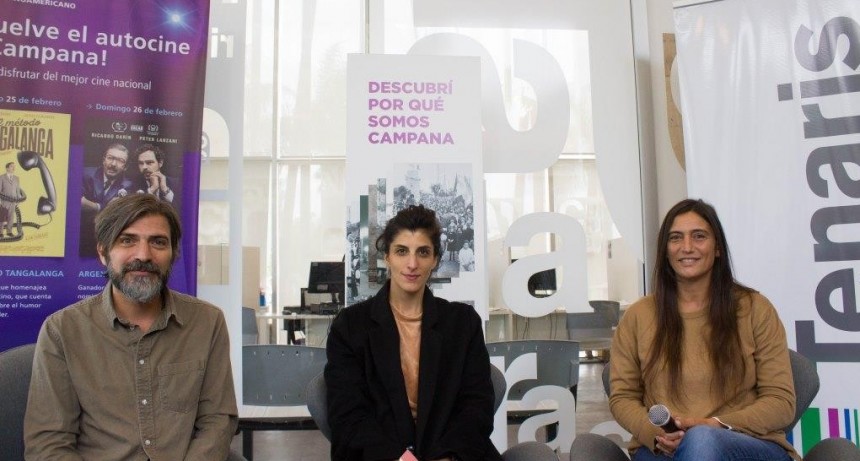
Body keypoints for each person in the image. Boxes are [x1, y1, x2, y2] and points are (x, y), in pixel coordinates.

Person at [25, 194, 238, 460]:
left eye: (158, 242)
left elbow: (217, 421)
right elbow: (48, 442)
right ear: (103, 252)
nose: (143, 255)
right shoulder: (62, 331)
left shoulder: (207, 322)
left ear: (173, 254)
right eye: (127, 240)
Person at [609, 199, 797, 461]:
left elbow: (781, 402)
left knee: (701, 440)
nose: (687, 247)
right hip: (663, 449)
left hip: (745, 445)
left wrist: (713, 425)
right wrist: (657, 434)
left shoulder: (755, 309)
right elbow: (623, 397)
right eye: (675, 238)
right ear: (665, 250)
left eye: (699, 236)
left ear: (717, 247)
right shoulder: (638, 316)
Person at [325, 204, 501, 461]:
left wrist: (448, 457)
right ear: (387, 257)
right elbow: (348, 413)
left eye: (423, 252)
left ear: (435, 259)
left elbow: (476, 406)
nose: (412, 264)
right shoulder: (350, 326)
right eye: (401, 251)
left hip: (452, 454)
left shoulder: (463, 323)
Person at [81, 143, 134, 213]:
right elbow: (78, 201)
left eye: (120, 161)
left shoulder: (128, 185)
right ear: (104, 160)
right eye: (110, 158)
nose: (113, 164)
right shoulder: (85, 174)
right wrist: (99, 207)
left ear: (126, 167)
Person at [0, 161, 25, 237]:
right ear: (7, 168)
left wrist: (18, 200)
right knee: (2, 217)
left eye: (14, 166)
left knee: (11, 217)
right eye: (11, 166)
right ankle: (0, 232)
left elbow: (17, 190)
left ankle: (9, 231)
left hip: (13, 201)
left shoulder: (16, 178)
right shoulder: (1, 177)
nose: (13, 168)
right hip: (4, 201)